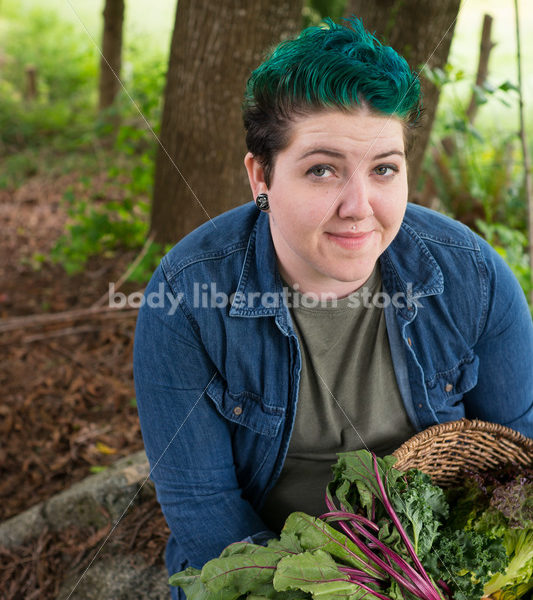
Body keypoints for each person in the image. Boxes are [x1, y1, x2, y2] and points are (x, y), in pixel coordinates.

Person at [133, 17, 533, 598]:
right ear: (260, 177)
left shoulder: (470, 275)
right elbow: (203, 505)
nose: (359, 206)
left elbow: (518, 454)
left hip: (436, 573)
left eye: (383, 170)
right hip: (262, 570)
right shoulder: (186, 297)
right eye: (322, 169)